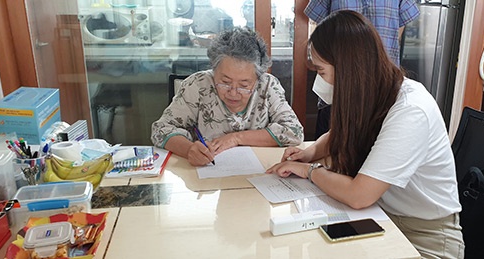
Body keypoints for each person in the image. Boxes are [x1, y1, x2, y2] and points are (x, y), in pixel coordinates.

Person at [266, 10, 464, 258]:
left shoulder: (410, 110)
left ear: (348, 69)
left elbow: (359, 195)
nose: (319, 81)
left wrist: (309, 170)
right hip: (380, 216)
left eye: (321, 71)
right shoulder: (373, 93)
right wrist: (310, 153)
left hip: (424, 236)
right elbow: (339, 132)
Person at [151, 27, 304, 167]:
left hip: (258, 173)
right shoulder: (197, 85)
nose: (233, 92)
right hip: (207, 175)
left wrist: (236, 138)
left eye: (244, 85)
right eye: (225, 82)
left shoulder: (268, 86)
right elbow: (161, 129)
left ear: (258, 77)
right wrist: (189, 149)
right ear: (213, 69)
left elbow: (294, 131)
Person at [304, 0, 420, 138]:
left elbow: (400, 27)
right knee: (335, 139)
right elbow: (318, 24)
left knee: (375, 140)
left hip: (382, 87)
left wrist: (374, 58)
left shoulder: (408, 106)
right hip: (339, 84)